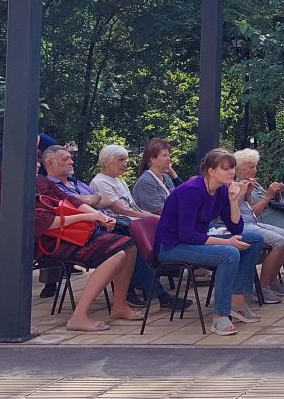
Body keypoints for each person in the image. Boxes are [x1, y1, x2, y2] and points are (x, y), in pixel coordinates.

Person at [157, 148, 267, 336]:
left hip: (195, 241)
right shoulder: (192, 191)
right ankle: (220, 316)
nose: (231, 172)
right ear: (211, 171)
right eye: (226, 168)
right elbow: (186, 234)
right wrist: (227, 243)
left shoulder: (222, 190)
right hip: (172, 246)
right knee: (229, 254)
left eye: (232, 168)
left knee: (255, 240)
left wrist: (234, 201)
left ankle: (237, 301)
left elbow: (236, 229)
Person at [86, 143, 188, 312]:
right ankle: (159, 293)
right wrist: (154, 218)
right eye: (121, 160)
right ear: (107, 161)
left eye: (126, 159)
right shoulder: (101, 182)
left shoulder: (119, 181)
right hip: (114, 228)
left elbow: (134, 209)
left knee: (150, 237)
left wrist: (153, 219)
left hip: (128, 225)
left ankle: (156, 283)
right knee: (135, 246)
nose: (125, 163)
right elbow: (121, 210)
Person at [33, 182, 143, 332]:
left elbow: (72, 201)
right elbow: (46, 224)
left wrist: (101, 217)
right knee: (116, 254)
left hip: (74, 234)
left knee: (129, 245)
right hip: (50, 243)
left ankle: (120, 305)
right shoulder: (17, 187)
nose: (35, 169)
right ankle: (78, 317)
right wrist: (87, 216)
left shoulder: (40, 180)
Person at [231, 148, 284, 304]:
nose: (255, 170)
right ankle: (262, 286)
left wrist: (252, 193)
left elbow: (249, 210)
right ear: (239, 169)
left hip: (252, 222)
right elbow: (252, 211)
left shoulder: (251, 183)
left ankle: (271, 281)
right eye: (251, 167)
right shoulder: (233, 186)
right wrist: (268, 195)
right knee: (279, 242)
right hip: (243, 225)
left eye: (255, 166)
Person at [131, 138, 177, 215]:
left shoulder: (166, 177)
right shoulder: (146, 181)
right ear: (152, 159)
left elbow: (178, 198)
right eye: (165, 155)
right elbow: (158, 211)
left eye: (169, 155)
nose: (169, 159)